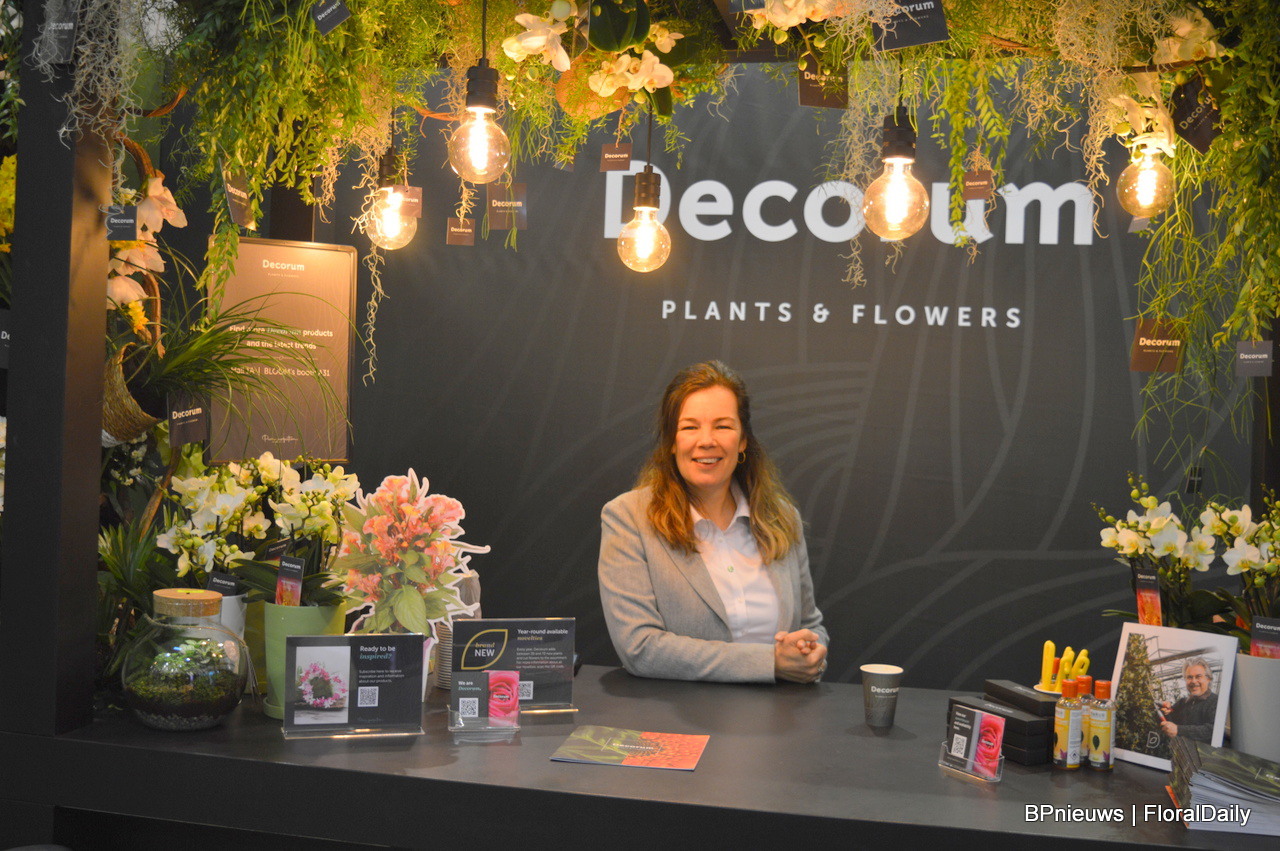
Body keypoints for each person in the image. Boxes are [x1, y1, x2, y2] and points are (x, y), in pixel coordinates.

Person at [598, 361, 828, 683]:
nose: (706, 440)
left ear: (743, 440)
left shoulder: (782, 518)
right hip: (678, 713)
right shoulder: (628, 518)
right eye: (690, 427)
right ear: (672, 441)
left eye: (722, 426)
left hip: (781, 713)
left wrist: (809, 652)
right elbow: (640, 647)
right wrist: (769, 663)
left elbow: (810, 624)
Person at [1158, 657, 1218, 743]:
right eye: (1189, 677)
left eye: (1198, 676)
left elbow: (1212, 730)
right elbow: (1170, 722)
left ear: (1208, 679)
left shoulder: (1216, 702)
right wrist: (1165, 710)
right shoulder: (1182, 703)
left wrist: (1179, 730)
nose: (1193, 681)